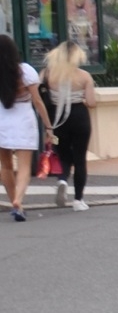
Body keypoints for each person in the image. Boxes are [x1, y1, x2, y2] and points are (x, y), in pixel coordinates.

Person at [0, 36, 51, 221]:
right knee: (24, 167)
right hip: (23, 120)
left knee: (5, 166)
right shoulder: (26, 71)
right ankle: (19, 200)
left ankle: (13, 200)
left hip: (2, 118)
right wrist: (48, 125)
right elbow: (37, 101)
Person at [42, 42, 97, 210]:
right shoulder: (84, 76)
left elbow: (41, 99)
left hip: (57, 120)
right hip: (79, 117)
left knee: (63, 155)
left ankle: (62, 180)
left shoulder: (46, 74)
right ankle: (78, 200)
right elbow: (91, 102)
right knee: (80, 159)